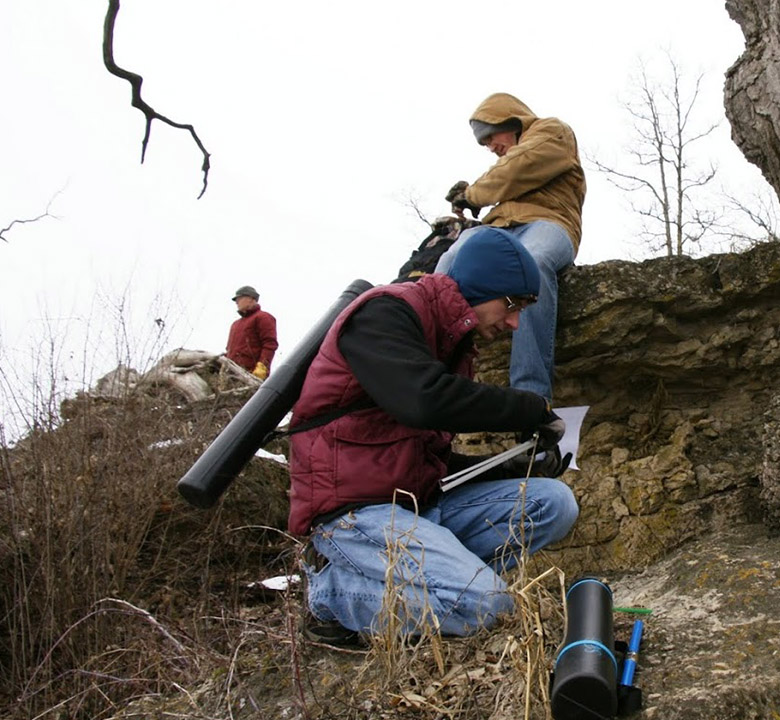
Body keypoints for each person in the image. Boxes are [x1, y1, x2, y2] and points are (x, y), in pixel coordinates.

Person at [288, 227, 579, 645]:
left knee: (553, 502)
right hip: (353, 516)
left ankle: (445, 587)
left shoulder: (451, 343)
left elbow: (425, 459)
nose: (516, 322)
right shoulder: (385, 313)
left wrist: (513, 466)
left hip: (417, 507)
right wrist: (530, 407)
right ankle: (330, 594)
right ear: (482, 285)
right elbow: (422, 400)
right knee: (488, 606)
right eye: (512, 304)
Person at [435, 92, 587, 403]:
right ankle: (429, 368)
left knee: (533, 262)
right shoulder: (505, 165)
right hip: (501, 228)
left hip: (548, 222)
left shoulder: (553, 132)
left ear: (511, 121)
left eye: (490, 136)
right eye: (484, 144)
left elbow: (516, 168)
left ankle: (530, 399)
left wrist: (471, 194)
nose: (491, 147)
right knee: (449, 261)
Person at [225, 286, 278, 380]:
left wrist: (262, 367)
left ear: (250, 298)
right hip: (231, 374)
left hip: (251, 375)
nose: (237, 302)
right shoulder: (235, 324)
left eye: (239, 298)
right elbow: (229, 351)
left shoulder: (263, 317)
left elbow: (270, 344)